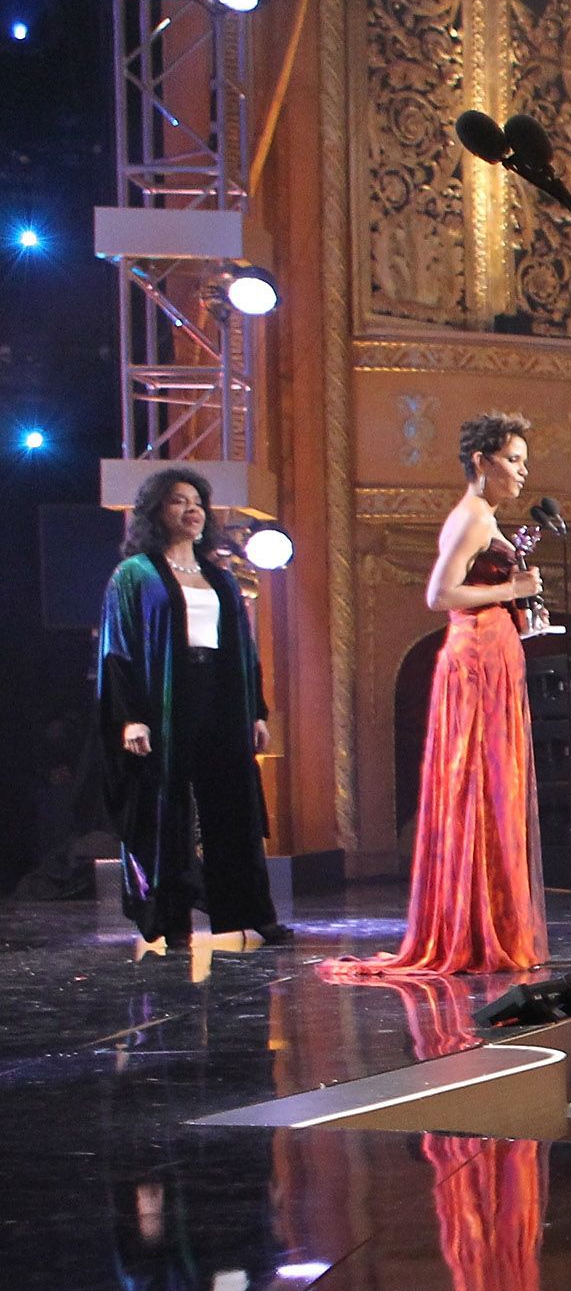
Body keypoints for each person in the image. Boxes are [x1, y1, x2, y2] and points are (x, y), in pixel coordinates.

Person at [326, 413, 546, 975]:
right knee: (477, 783)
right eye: (513, 460)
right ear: (482, 462)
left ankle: (489, 917)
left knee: (495, 785)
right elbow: (440, 593)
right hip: (473, 660)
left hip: (492, 652)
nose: (523, 472)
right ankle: (474, 924)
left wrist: (517, 607)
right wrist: (512, 587)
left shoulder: (486, 517)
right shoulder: (470, 517)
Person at [97, 465, 290, 953]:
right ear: (157, 512)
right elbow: (117, 651)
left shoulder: (221, 577)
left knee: (232, 803)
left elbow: (245, 650)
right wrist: (130, 717)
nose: (192, 510)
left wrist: (256, 711)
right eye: (178, 501)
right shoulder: (135, 574)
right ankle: (170, 917)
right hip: (166, 696)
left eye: (197, 501)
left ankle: (251, 914)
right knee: (168, 806)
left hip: (220, 694)